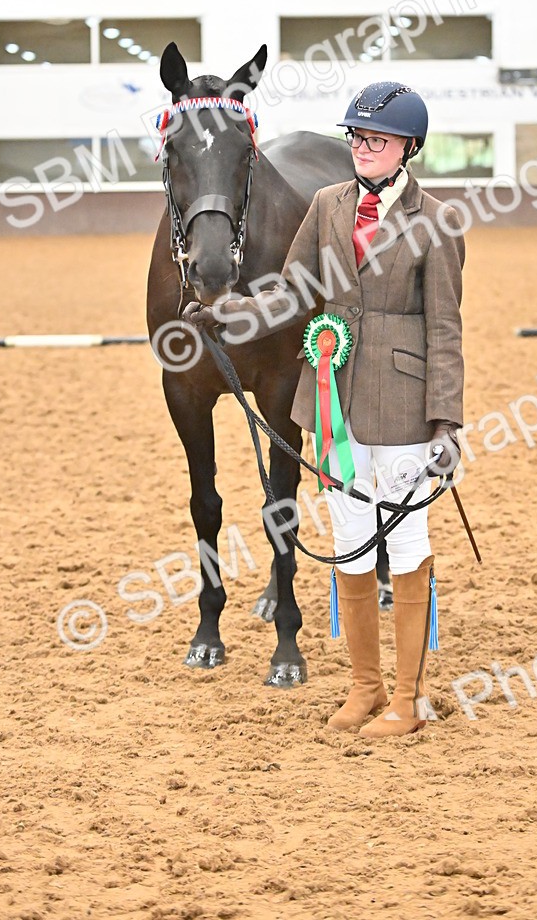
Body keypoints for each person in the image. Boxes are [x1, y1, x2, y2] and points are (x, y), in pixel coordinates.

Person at [185, 81, 465, 738]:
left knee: (406, 543)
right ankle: (365, 688)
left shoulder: (436, 221)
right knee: (349, 543)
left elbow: (446, 328)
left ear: (409, 148)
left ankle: (408, 698)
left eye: (378, 140)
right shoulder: (326, 205)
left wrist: (446, 423)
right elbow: (291, 293)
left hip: (404, 402)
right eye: (357, 138)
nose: (363, 149)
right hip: (334, 398)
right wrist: (232, 312)